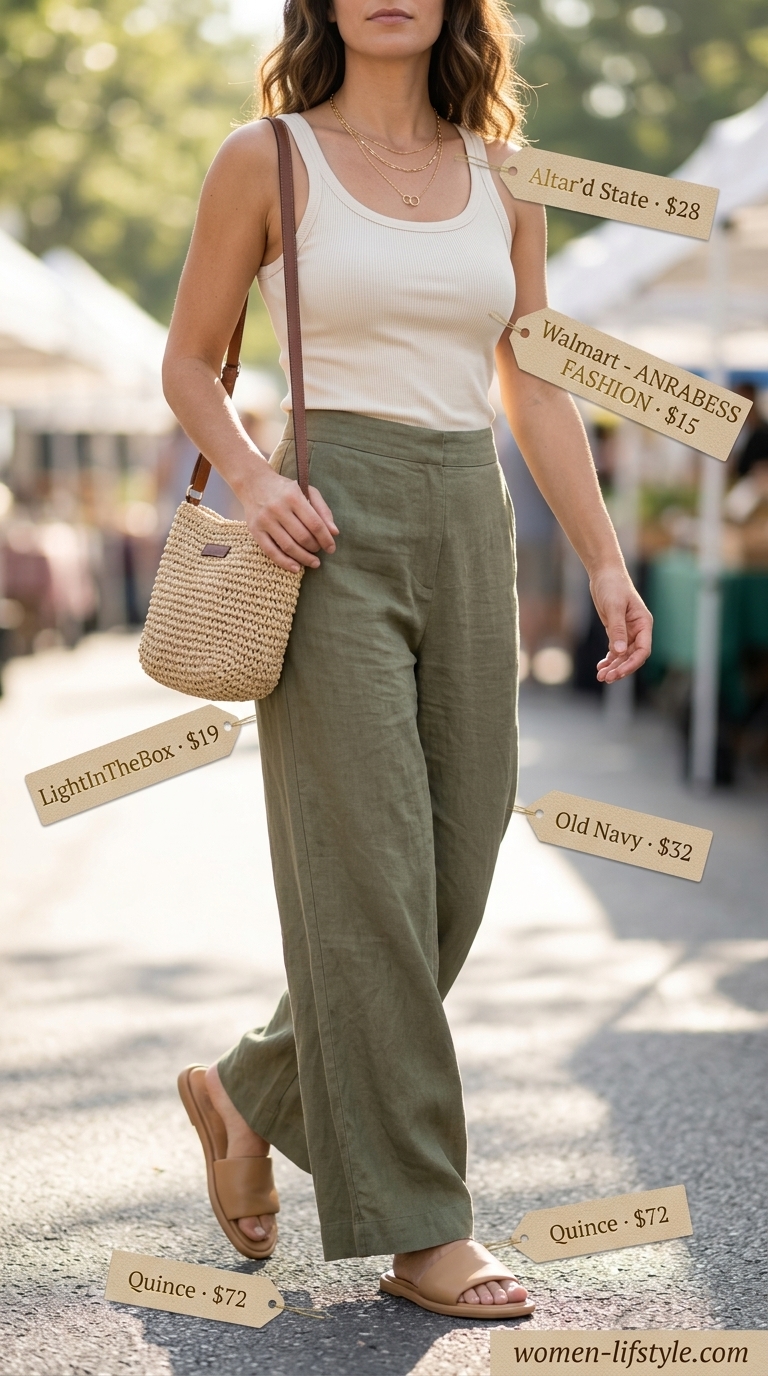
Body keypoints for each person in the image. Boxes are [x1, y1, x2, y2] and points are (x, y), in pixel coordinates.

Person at [163, 0, 652, 1319]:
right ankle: (425, 1226)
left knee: (459, 858)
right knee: (371, 878)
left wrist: (605, 561)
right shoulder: (264, 158)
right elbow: (191, 363)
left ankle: (250, 1087)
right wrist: (257, 479)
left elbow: (533, 381)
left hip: (468, 518)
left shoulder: (507, 175)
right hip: (324, 524)